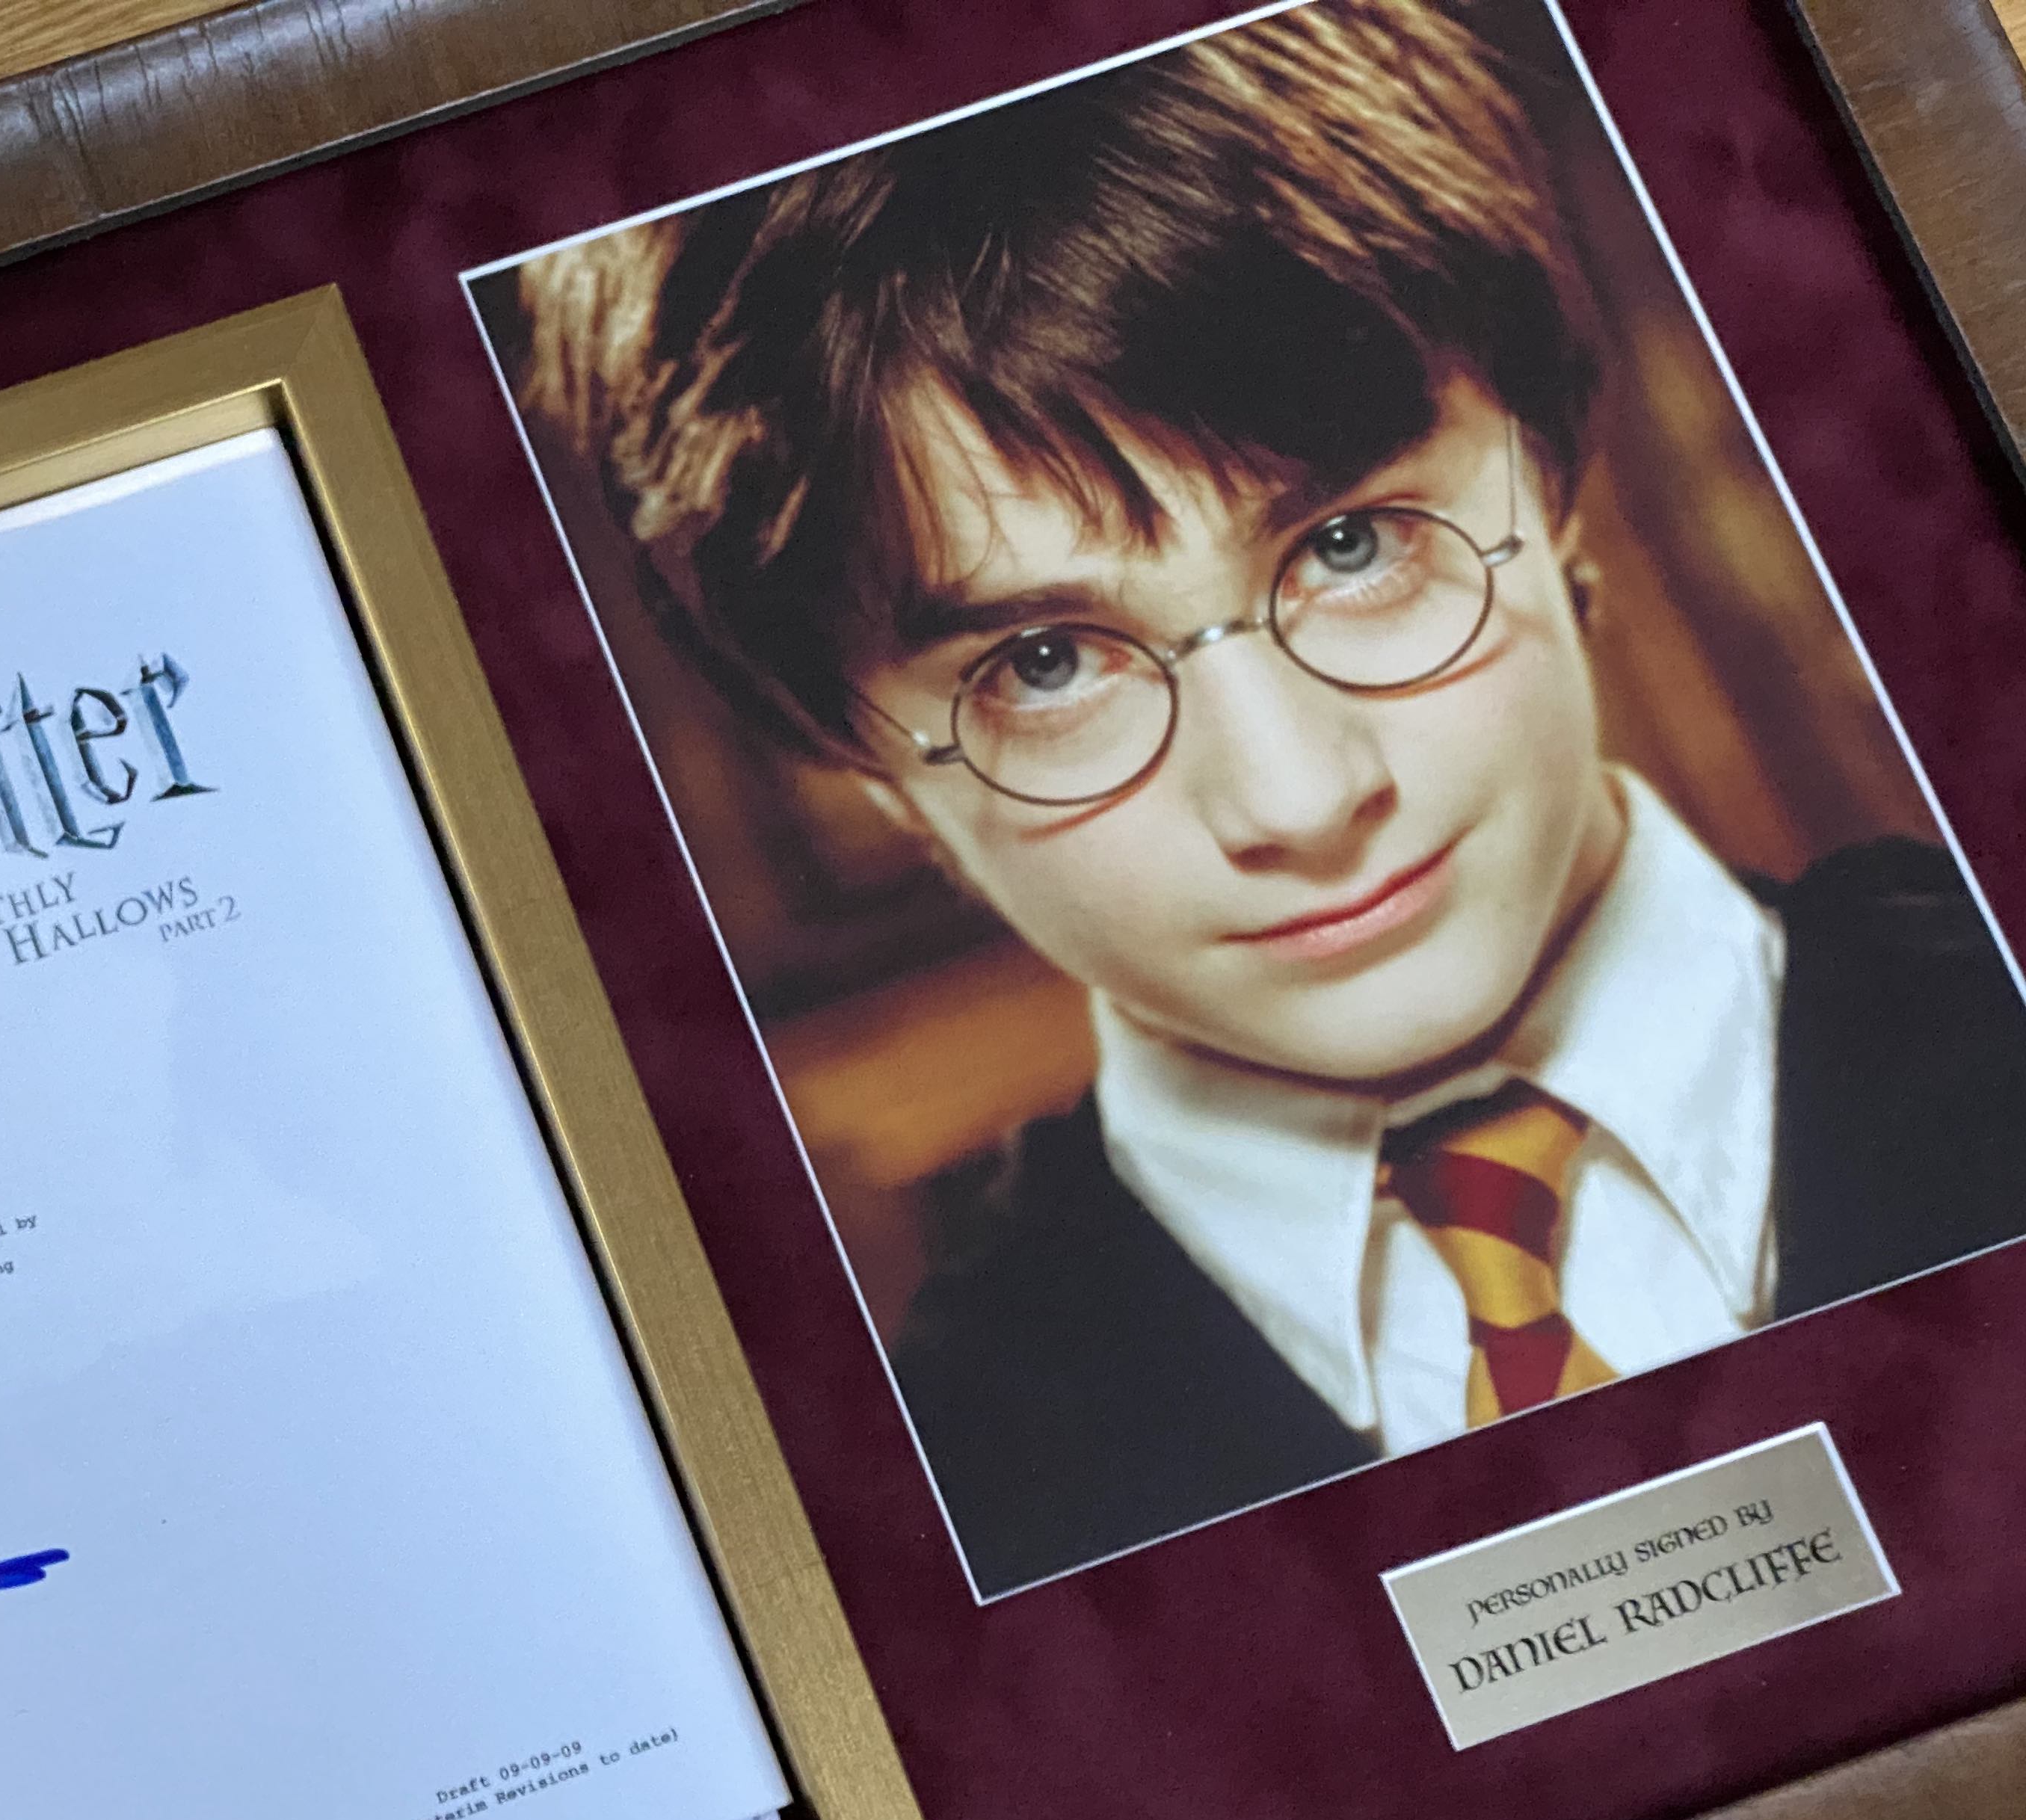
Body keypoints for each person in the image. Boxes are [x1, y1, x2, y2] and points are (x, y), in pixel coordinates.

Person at [515, 0, 2026, 1595]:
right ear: (866, 769)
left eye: (1352, 546)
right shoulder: (907, 1533)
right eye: (1042, 663)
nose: (1299, 798)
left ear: (1552, 470)